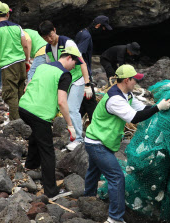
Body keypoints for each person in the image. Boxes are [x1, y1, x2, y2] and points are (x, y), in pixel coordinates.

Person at [84, 64, 170, 223]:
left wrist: (159, 108)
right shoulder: (115, 99)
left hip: (100, 141)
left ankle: (88, 198)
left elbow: (143, 109)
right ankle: (114, 218)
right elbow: (134, 118)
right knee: (117, 178)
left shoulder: (127, 95)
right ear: (126, 80)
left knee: (94, 170)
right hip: (97, 143)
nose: (136, 84)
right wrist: (158, 107)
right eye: (134, 80)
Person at [19, 46, 80, 198]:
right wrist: (70, 125)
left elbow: (27, 87)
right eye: (75, 63)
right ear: (69, 58)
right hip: (39, 114)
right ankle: (51, 192)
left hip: (23, 107)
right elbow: (62, 102)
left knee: (37, 134)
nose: (75, 66)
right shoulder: (65, 75)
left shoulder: (42, 66)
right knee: (48, 153)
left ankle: (31, 165)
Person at [38, 20, 90, 151]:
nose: (49, 39)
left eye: (50, 35)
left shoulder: (67, 43)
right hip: (64, 80)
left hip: (77, 79)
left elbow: (82, 62)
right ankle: (73, 135)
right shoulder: (48, 48)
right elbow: (52, 67)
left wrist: (87, 83)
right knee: (62, 108)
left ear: (54, 30)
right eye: (45, 38)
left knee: (72, 108)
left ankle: (78, 139)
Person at [0, 3, 29, 120]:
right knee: (20, 92)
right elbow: (25, 45)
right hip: (21, 63)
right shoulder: (18, 27)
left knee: (10, 95)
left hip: (8, 65)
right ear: (8, 14)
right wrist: (27, 60)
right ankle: (25, 119)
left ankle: (16, 122)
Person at [75, 15, 112, 122]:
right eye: (103, 28)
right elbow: (78, 56)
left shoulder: (82, 32)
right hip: (83, 75)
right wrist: (87, 82)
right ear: (98, 26)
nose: (104, 30)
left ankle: (72, 124)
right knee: (91, 103)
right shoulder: (86, 36)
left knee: (84, 104)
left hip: (81, 75)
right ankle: (95, 129)